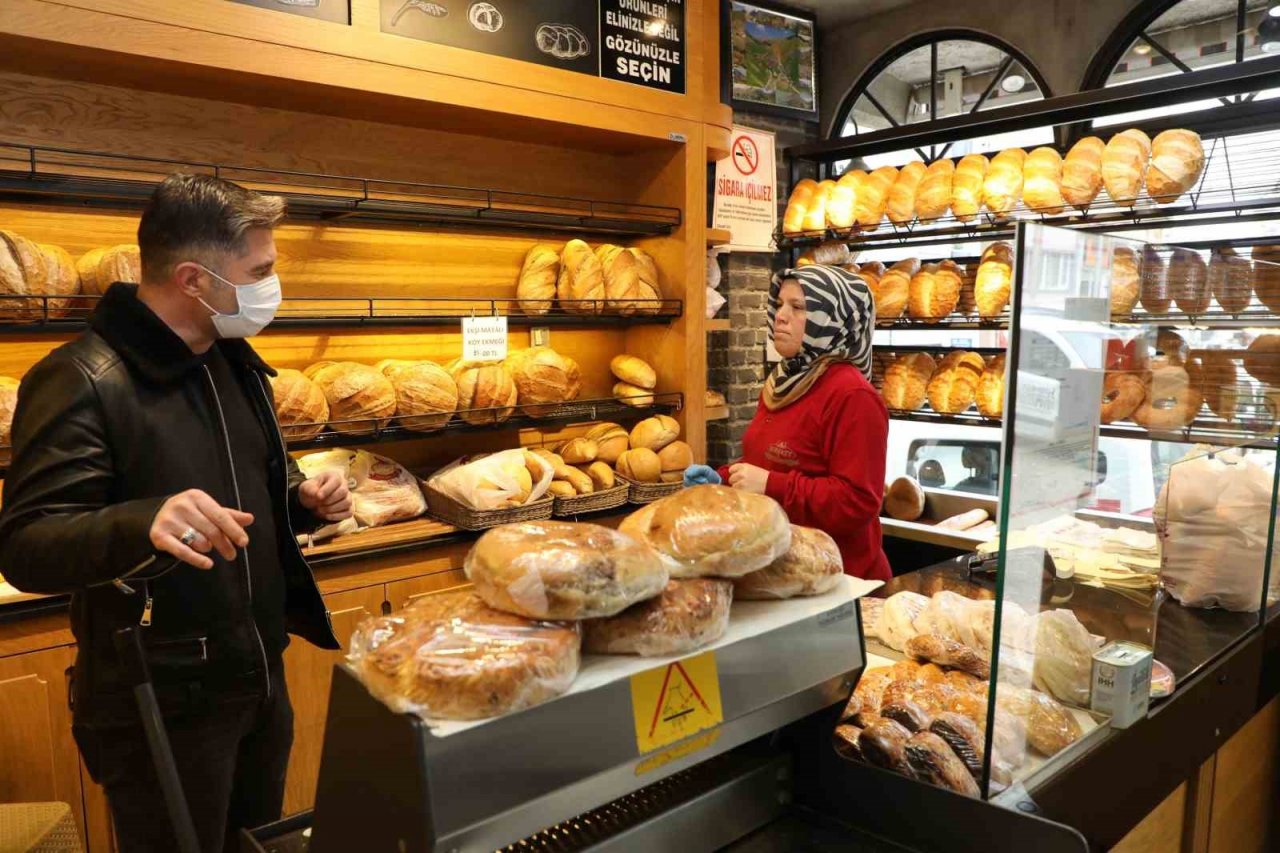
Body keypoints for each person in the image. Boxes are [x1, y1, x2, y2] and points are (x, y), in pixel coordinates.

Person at [0, 174, 354, 852]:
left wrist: (298, 502)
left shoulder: (230, 362)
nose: (270, 286)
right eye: (260, 271)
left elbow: (240, 493)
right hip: (159, 703)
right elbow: (25, 543)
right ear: (194, 279)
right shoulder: (80, 380)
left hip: (257, 679)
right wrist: (142, 522)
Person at [687, 264, 891, 581]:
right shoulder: (785, 382)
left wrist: (770, 486)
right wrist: (722, 480)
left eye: (798, 307)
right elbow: (769, 461)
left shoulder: (852, 396)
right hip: (786, 571)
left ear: (832, 321)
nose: (780, 316)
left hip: (840, 582)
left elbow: (857, 502)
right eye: (780, 304)